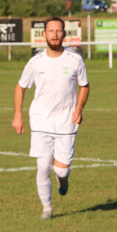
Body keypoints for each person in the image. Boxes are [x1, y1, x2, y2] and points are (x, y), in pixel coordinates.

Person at [12, 16, 89, 220]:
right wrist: (18, 115)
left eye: (59, 30)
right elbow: (20, 86)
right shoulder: (35, 62)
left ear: (64, 34)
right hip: (40, 120)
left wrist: (79, 108)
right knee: (42, 165)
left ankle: (62, 181)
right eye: (51, 31)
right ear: (44, 34)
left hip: (66, 121)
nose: (55, 34)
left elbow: (84, 86)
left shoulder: (75, 60)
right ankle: (47, 208)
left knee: (61, 171)